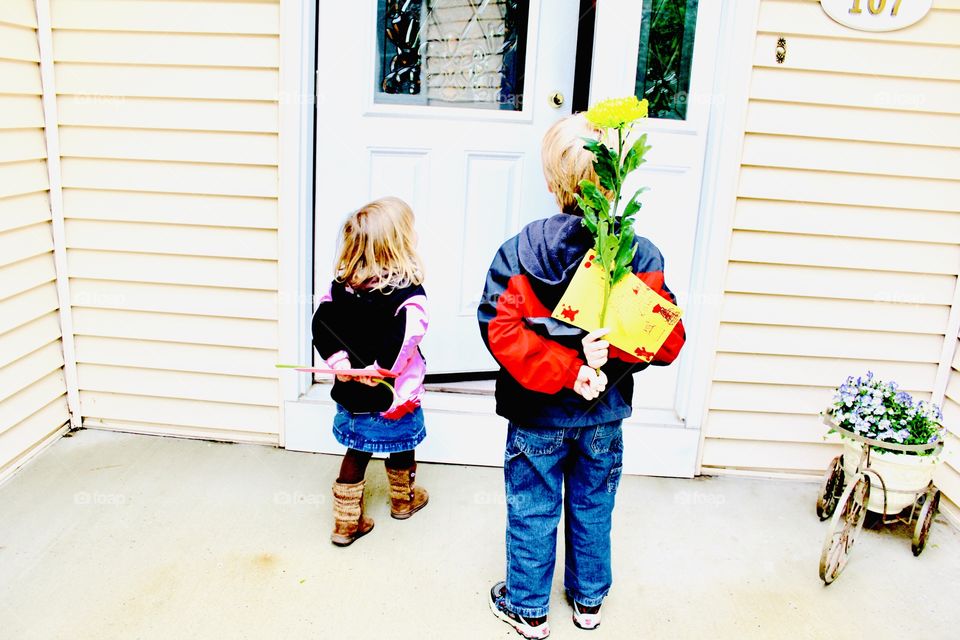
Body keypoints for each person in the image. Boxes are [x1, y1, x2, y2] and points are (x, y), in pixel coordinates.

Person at [478, 114, 686, 637]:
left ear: (551, 184)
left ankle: (528, 608)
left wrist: (567, 369)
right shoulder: (638, 255)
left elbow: (500, 329)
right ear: (617, 183)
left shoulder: (520, 253)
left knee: (533, 506)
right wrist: (593, 365)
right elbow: (666, 341)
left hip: (537, 416)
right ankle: (588, 602)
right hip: (601, 417)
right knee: (594, 503)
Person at [312, 196, 430, 547]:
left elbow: (322, 324)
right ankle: (403, 501)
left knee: (357, 452)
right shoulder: (410, 296)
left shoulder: (341, 287)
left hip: (355, 395)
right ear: (400, 244)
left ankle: (345, 524)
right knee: (404, 445)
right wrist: (379, 369)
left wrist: (340, 364)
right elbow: (405, 340)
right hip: (395, 397)